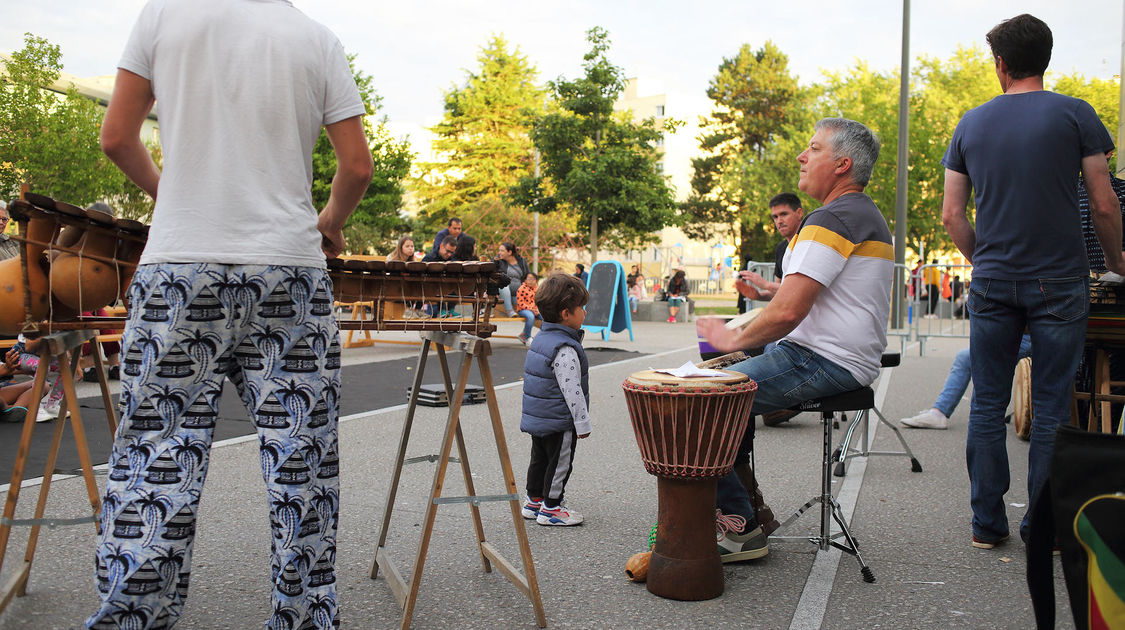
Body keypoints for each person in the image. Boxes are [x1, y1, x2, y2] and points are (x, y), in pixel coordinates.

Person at [92, 0, 373, 627]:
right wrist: (327, 224)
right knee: (303, 463)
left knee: (154, 458)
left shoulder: (163, 15)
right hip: (289, 272)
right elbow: (357, 166)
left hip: (179, 269)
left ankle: (133, 618)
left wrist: (177, 195)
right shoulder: (316, 38)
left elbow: (116, 136)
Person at [941, 13, 1123, 550]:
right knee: (1050, 406)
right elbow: (1105, 201)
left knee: (987, 402)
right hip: (1062, 281)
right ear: (1045, 59)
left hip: (994, 280)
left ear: (1000, 63)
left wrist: (985, 262)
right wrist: (1117, 260)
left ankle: (986, 525)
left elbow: (953, 216)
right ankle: (1041, 527)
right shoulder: (1077, 115)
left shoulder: (971, 123)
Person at [697, 117, 892, 562]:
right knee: (724, 389)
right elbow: (796, 300)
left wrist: (730, 339)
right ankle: (749, 510)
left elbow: (787, 312)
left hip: (820, 359)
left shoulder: (834, 217)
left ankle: (738, 526)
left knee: (703, 398)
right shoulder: (862, 213)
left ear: (842, 164)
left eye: (813, 149)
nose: (802, 157)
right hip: (828, 354)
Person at [519, 273, 591, 526]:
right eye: (581, 307)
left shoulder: (541, 339)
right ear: (565, 314)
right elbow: (572, 390)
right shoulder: (565, 348)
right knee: (560, 463)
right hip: (559, 420)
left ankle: (534, 500)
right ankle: (552, 507)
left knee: (539, 459)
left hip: (539, 416)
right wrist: (582, 423)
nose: (584, 312)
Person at [736, 192, 806, 427]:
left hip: (804, 321)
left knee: (768, 344)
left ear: (799, 213)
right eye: (775, 216)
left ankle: (778, 400)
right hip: (788, 316)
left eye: (784, 214)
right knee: (739, 346)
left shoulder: (810, 244)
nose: (779, 221)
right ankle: (762, 404)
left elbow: (796, 293)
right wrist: (759, 295)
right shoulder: (780, 249)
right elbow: (781, 294)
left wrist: (765, 284)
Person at [901, 335, 1033, 429]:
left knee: (967, 358)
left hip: (1026, 336)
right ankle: (940, 411)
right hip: (1032, 334)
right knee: (969, 357)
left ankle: (940, 412)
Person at [495, 242, 529, 315]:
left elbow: (527, 276)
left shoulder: (522, 261)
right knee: (504, 287)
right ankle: (509, 311)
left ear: (510, 252)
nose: (499, 252)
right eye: (499, 250)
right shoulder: (498, 261)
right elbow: (494, 277)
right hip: (503, 293)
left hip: (518, 294)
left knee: (525, 311)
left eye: (502, 251)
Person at [515, 272, 542, 345]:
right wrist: (531, 309)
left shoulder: (537, 289)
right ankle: (527, 337)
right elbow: (520, 303)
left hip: (534, 309)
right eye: (529, 279)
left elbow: (538, 301)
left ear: (536, 280)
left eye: (533, 279)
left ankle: (541, 337)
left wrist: (537, 309)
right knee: (530, 317)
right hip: (523, 309)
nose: (531, 281)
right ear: (525, 280)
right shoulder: (521, 289)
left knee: (545, 318)